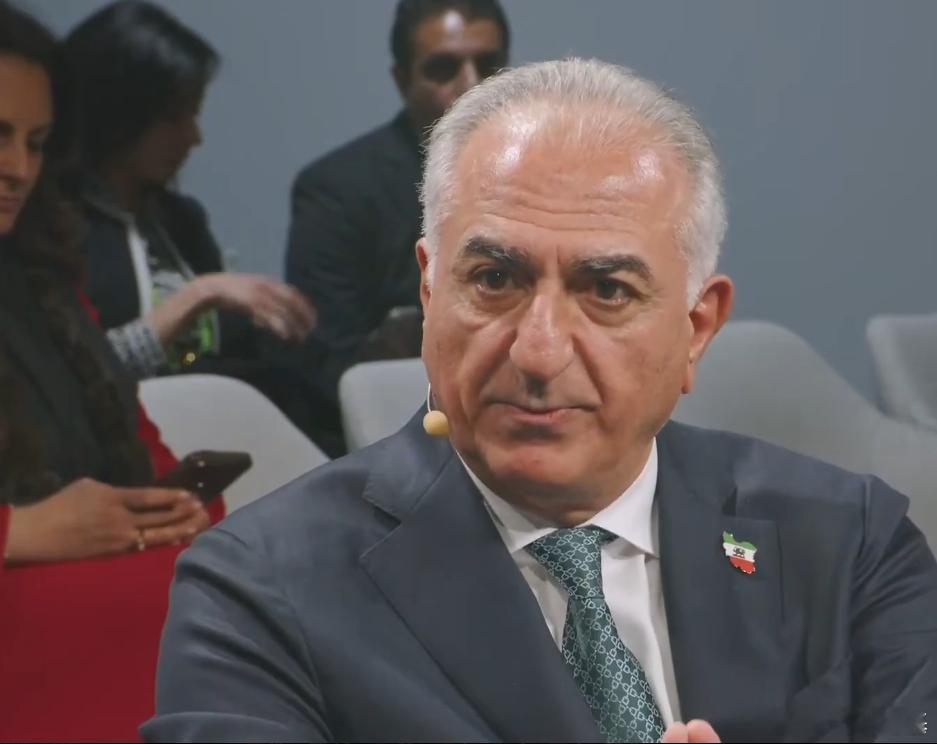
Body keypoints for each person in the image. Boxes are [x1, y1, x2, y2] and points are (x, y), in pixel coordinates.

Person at [144, 60, 937, 743]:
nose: (538, 350)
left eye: (606, 290)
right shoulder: (262, 589)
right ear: (430, 290)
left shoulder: (848, 543)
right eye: (494, 280)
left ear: (695, 328)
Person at [0, 3, 222, 740]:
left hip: (111, 573)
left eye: (36, 143)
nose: (18, 169)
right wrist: (21, 531)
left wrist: (165, 502)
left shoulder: (43, 276)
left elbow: (133, 439)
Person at [62, 1, 322, 442]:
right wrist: (199, 295)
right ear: (117, 112)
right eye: (174, 117)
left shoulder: (180, 221)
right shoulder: (56, 229)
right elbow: (78, 381)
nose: (194, 137)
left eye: (194, 113)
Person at [284, 0, 510, 449]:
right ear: (402, 79)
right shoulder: (339, 190)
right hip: (399, 435)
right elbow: (329, 367)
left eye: (488, 65)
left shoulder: (549, 178)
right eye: (444, 69)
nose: (472, 85)